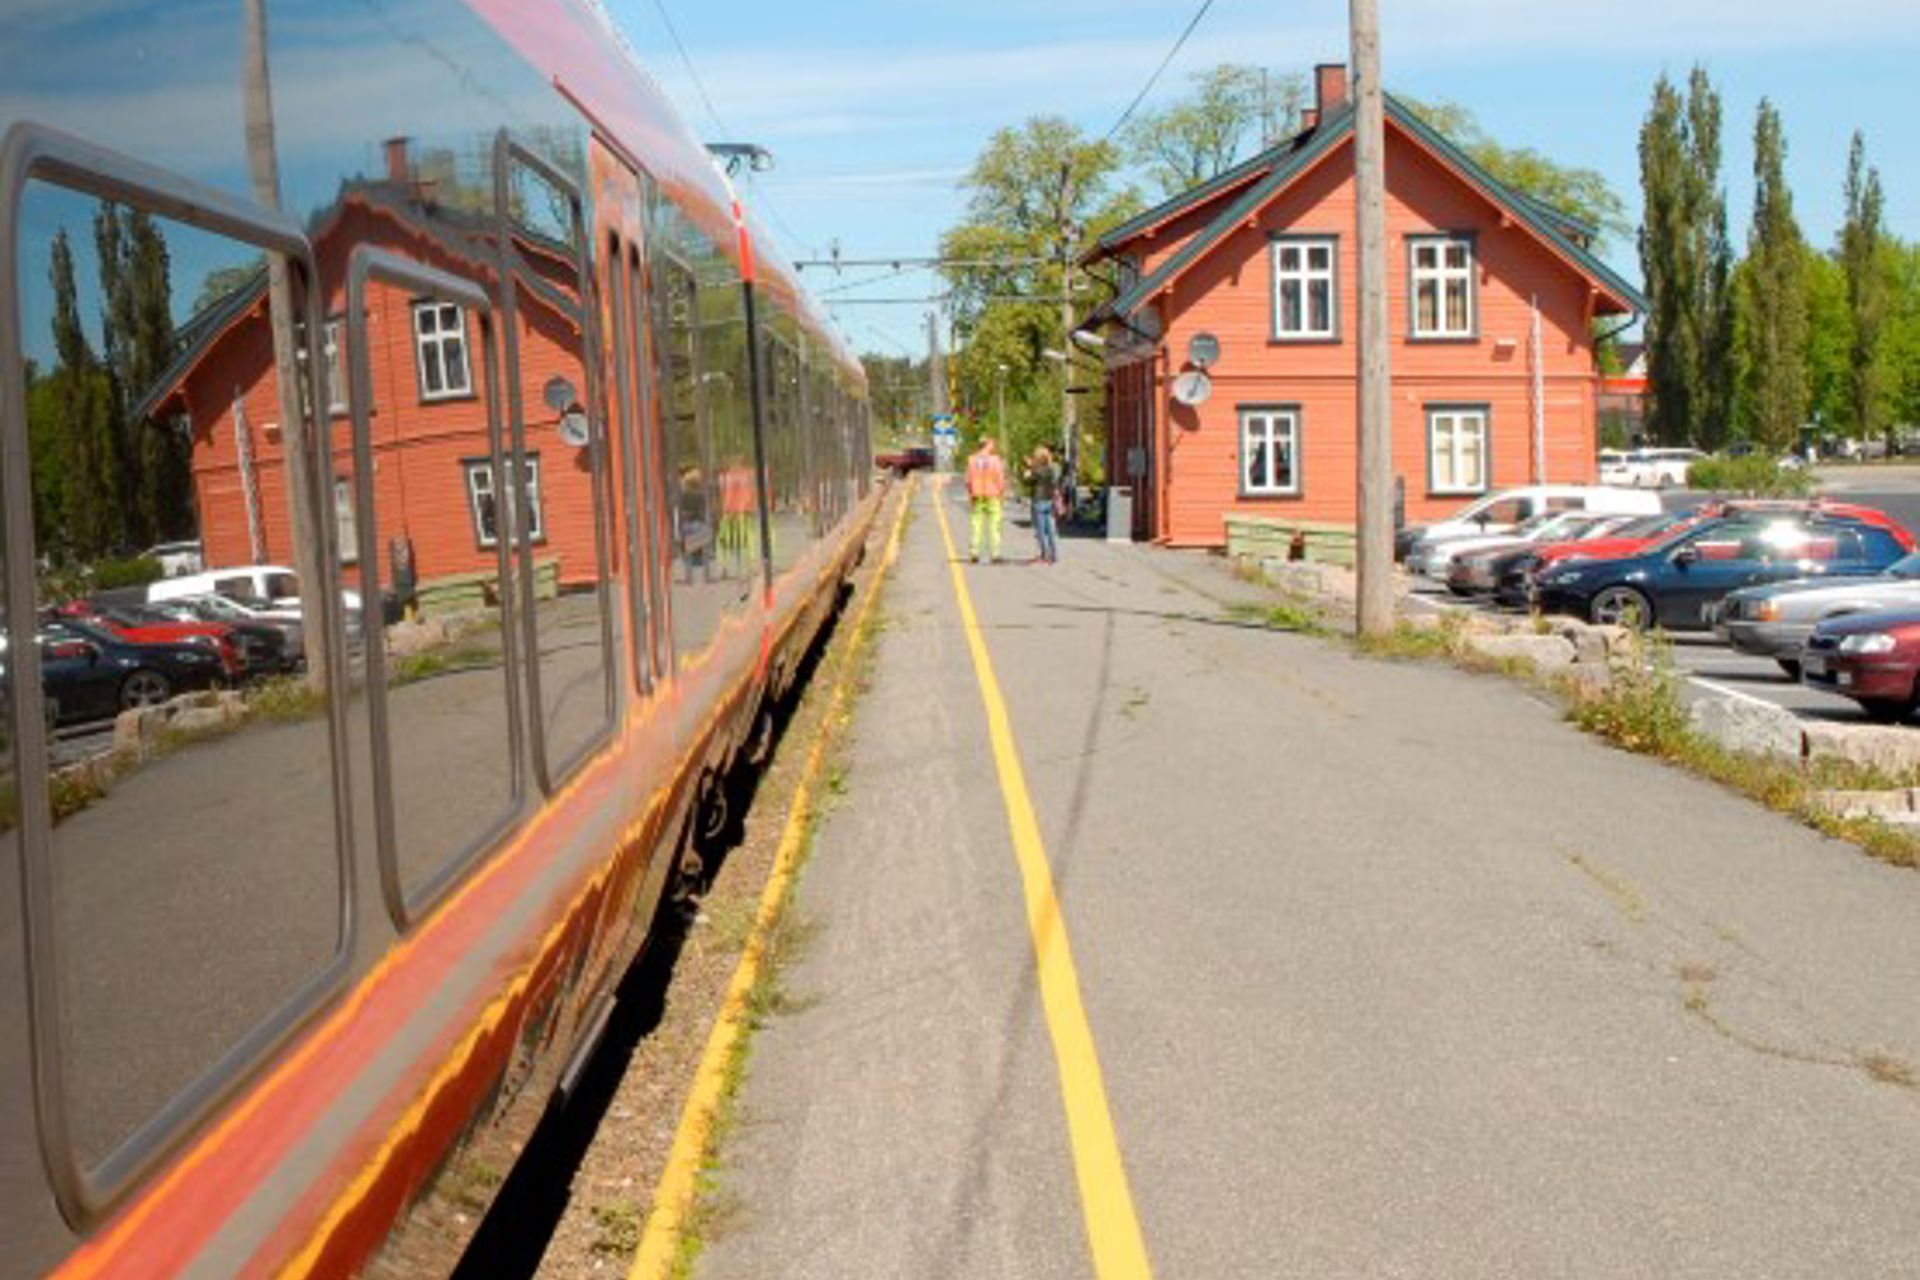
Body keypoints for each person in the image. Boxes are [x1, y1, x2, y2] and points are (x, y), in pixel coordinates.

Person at [965, 436, 1008, 563]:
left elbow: (967, 480)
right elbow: (1000, 478)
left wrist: (971, 492)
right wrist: (1002, 492)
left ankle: (974, 552)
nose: (994, 447)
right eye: (992, 444)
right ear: (987, 445)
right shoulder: (995, 460)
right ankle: (995, 554)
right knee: (994, 525)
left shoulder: (971, 460)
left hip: (977, 495)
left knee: (976, 525)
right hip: (993, 495)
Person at [1023, 445, 1060, 564]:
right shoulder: (1051, 469)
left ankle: (1044, 555)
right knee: (1050, 530)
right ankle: (1054, 555)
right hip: (1049, 501)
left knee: (1040, 531)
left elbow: (1028, 481)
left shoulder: (1036, 470)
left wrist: (1027, 472)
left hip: (1038, 501)